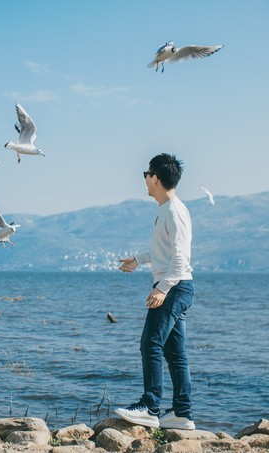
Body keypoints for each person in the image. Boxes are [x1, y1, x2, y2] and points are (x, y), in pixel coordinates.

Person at [115, 153, 196, 430]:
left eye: (146, 174)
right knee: (175, 353)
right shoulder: (165, 209)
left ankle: (150, 408)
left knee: (150, 343)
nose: (145, 179)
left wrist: (162, 288)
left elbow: (181, 258)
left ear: (156, 179)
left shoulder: (174, 211)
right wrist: (138, 259)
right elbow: (164, 252)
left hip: (174, 287)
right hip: (176, 286)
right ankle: (181, 414)